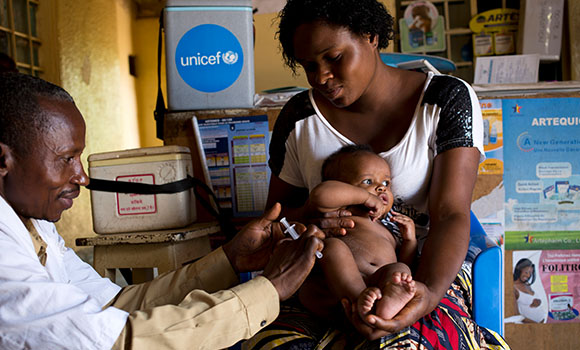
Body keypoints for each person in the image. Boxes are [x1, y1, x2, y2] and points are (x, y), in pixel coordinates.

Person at [244, 0, 510, 349]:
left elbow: (450, 214)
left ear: (371, 37)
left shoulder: (445, 100)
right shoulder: (299, 119)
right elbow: (278, 220)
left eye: (334, 57)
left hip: (418, 269)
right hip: (322, 273)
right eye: (309, 66)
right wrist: (314, 224)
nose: (321, 76)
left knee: (402, 342)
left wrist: (426, 294)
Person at [0, 72, 324, 350]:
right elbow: (117, 341)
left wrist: (230, 259)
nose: (82, 177)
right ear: (3, 160)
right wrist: (271, 287)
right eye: (65, 159)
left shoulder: (32, 224)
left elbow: (113, 306)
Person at [298, 144, 417, 324]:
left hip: (379, 286)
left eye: (386, 183)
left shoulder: (387, 230)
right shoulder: (340, 213)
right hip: (337, 288)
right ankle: (359, 301)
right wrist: (366, 198)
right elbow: (320, 196)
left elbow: (404, 263)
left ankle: (386, 305)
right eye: (368, 182)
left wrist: (409, 241)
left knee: (401, 271)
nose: (381, 188)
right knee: (332, 247)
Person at [513, 258, 546, 323]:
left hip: (543, 321)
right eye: (526, 272)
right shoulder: (513, 288)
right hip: (530, 326)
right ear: (519, 270)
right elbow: (516, 315)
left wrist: (538, 302)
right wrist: (535, 324)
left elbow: (529, 300)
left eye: (530, 273)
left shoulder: (527, 284)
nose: (528, 275)